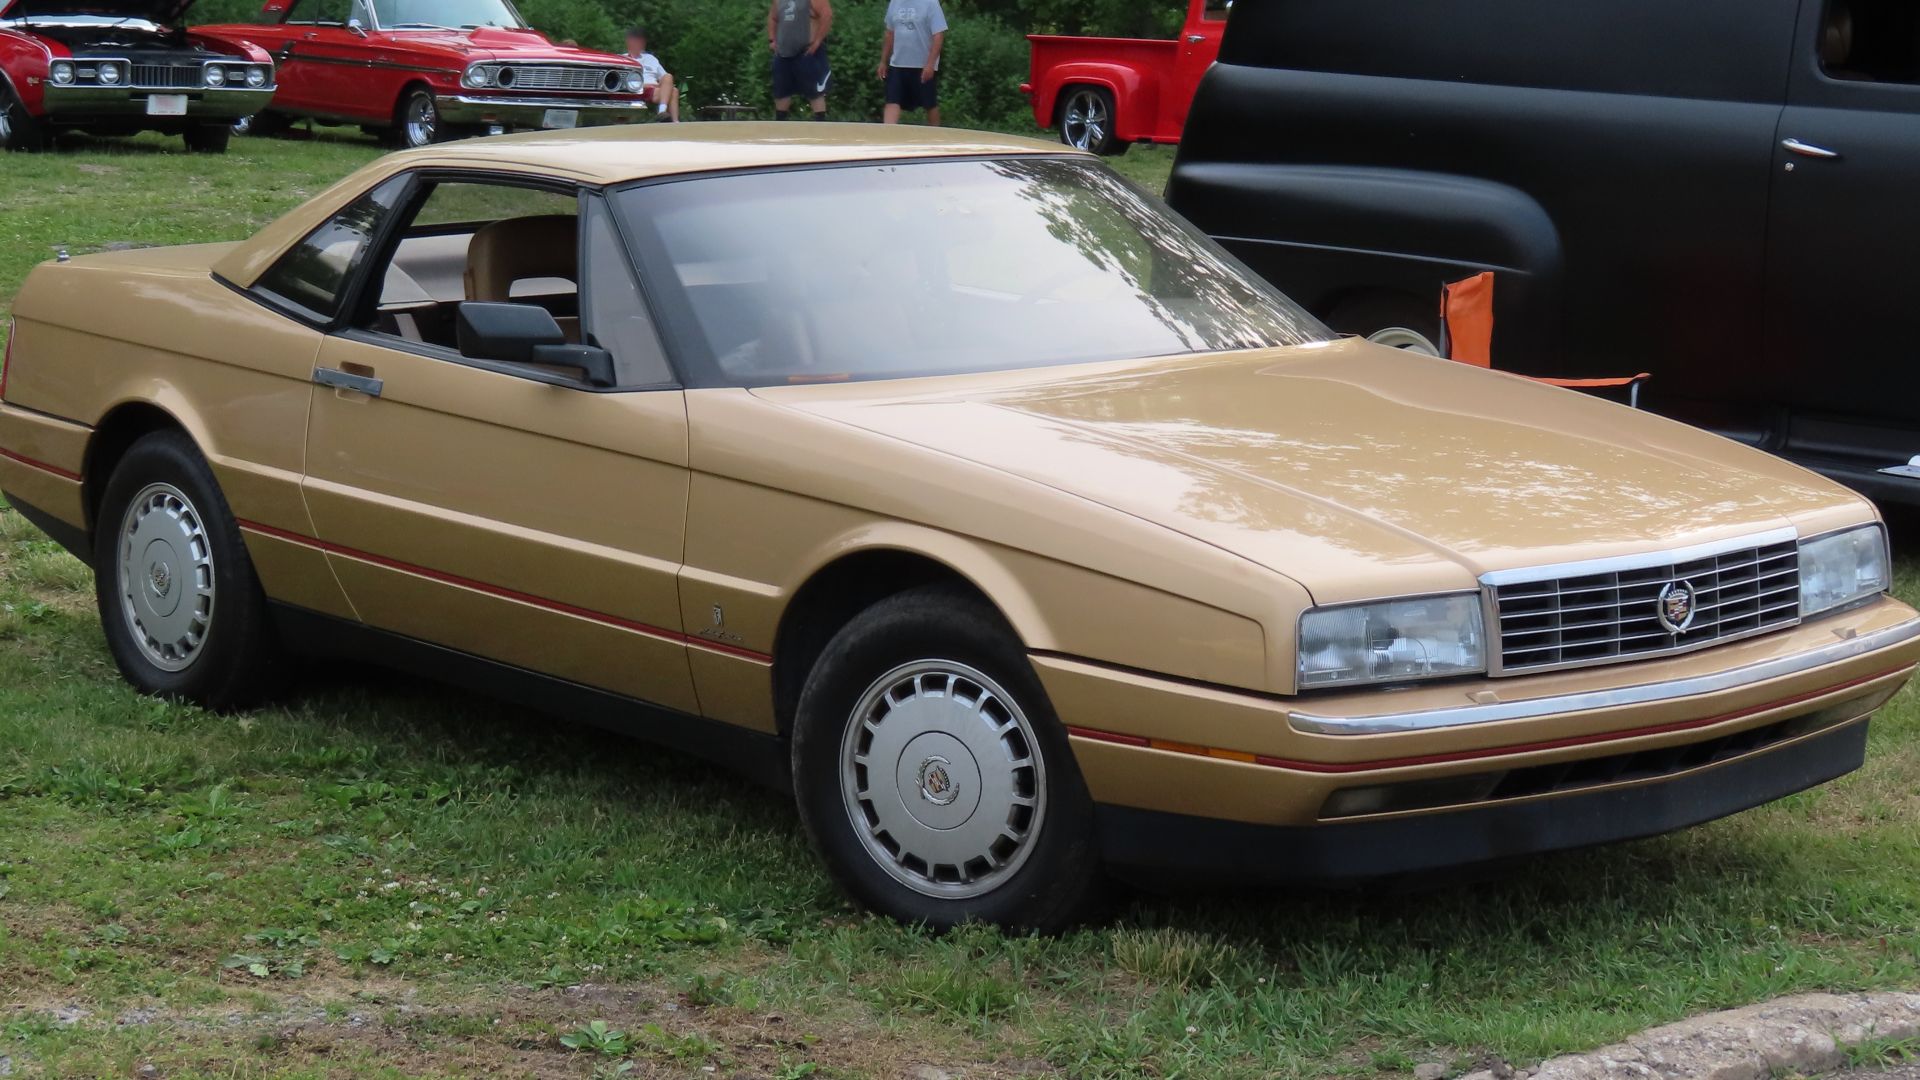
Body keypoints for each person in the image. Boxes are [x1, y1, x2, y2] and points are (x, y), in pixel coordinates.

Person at [877, 0, 945, 126]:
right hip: (897, 64)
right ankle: (888, 135)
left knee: (929, 103)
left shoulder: (930, 3)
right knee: (892, 100)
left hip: (922, 65)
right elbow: (889, 33)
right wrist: (883, 61)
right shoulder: (895, 2)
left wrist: (930, 64)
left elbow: (938, 36)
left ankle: (936, 136)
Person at [768, 0, 833, 120]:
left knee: (815, 93)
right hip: (784, 53)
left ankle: (820, 126)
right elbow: (773, 17)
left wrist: (818, 41)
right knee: (781, 92)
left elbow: (827, 15)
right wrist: (772, 40)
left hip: (807, 52)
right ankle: (780, 125)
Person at [624, 27, 680, 123]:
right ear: (629, 42)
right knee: (673, 91)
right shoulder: (622, 59)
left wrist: (659, 85)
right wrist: (646, 85)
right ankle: (669, 119)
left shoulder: (651, 58)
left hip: (654, 89)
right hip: (638, 88)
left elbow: (664, 78)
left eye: (641, 41)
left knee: (669, 79)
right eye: (636, 41)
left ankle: (668, 117)